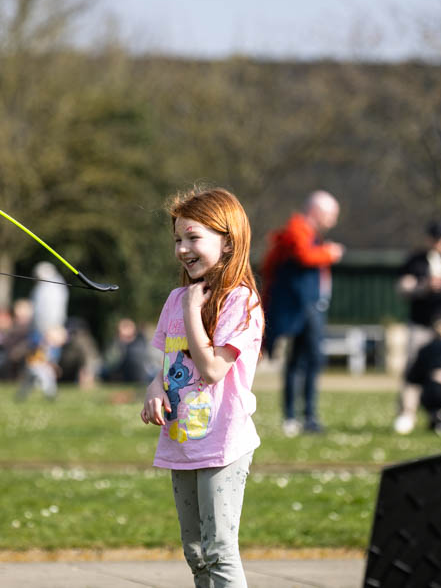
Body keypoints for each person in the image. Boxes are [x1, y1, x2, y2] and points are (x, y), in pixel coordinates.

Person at [141, 187, 264, 587]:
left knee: (219, 549)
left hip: (223, 443)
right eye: (178, 239)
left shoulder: (240, 302)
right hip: (182, 439)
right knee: (195, 552)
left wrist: (194, 310)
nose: (182, 249)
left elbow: (212, 369)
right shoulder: (177, 298)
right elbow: (169, 364)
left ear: (228, 242)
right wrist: (153, 388)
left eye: (194, 237)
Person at [261, 190, 344, 436]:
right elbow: (304, 255)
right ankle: (294, 416)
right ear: (316, 212)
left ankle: (308, 416)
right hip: (299, 309)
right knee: (298, 362)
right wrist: (330, 253)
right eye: (332, 215)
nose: (334, 221)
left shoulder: (310, 234)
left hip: (311, 307)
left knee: (310, 360)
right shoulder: (297, 229)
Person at [393, 220, 441, 434]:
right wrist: (423, 286)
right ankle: (407, 413)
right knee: (413, 368)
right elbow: (402, 288)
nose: (440, 244)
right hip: (421, 324)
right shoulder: (417, 260)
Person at [404, 317, 441, 434]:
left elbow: (414, 376)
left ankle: (437, 418)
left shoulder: (427, 349)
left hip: (435, 393)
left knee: (423, 388)